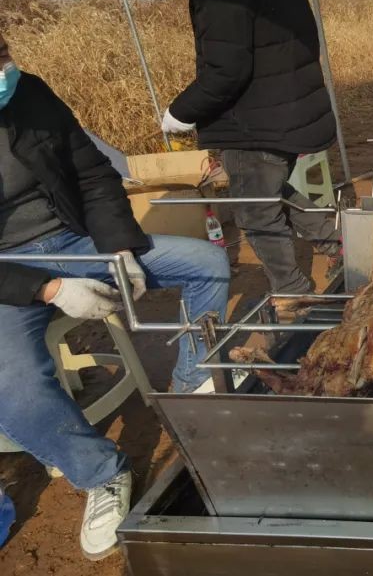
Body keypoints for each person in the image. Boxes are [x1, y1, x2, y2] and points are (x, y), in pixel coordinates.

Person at [0, 31, 231, 561]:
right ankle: (100, 475)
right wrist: (48, 288)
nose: (4, 73)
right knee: (11, 387)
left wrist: (120, 247)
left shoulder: (28, 93)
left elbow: (92, 174)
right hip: (7, 274)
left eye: (3, 56)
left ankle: (192, 380)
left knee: (208, 263)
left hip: (74, 238)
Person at [154, 0, 339, 304]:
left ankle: (293, 294)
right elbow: (303, 40)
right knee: (271, 191)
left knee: (256, 212)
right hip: (290, 109)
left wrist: (181, 111)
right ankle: (338, 243)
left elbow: (226, 66)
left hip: (253, 120)